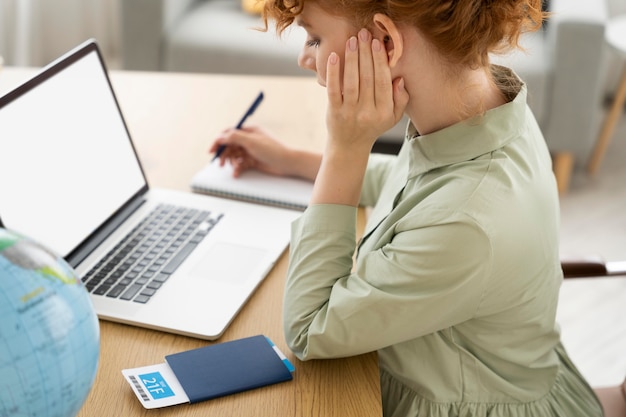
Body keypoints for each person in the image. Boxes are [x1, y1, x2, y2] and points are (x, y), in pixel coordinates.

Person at [210, 0, 604, 415]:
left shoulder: (464, 222)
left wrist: (345, 147)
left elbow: (309, 329)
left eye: (314, 37)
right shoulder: (490, 111)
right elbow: (408, 183)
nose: (305, 58)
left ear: (384, 41)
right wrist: (292, 159)